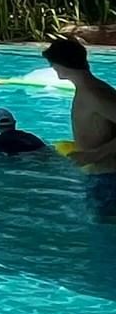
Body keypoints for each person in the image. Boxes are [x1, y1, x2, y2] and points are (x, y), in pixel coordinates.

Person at [43, 36, 116, 218]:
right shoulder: (88, 89)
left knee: (105, 232)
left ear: (59, 65)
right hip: (101, 174)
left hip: (108, 177)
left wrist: (95, 154)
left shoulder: (94, 94)